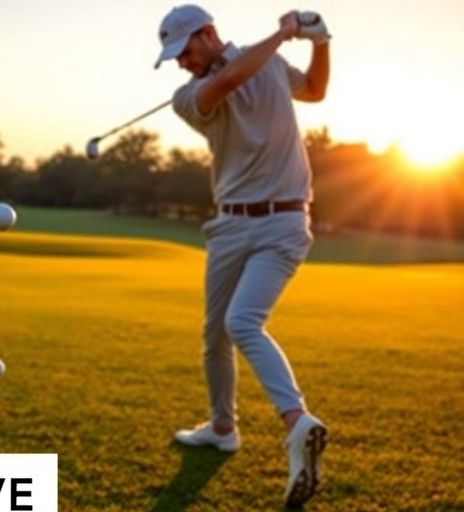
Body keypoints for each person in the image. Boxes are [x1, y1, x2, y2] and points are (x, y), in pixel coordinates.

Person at [153, 4, 331, 508]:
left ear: (208, 33)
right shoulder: (185, 98)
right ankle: (223, 428)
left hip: (283, 221)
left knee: (243, 322)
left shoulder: (270, 63)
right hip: (229, 224)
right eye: (175, 57)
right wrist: (283, 33)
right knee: (214, 333)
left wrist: (321, 42)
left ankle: (296, 423)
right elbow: (229, 78)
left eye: (184, 50)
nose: (181, 62)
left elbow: (316, 91)